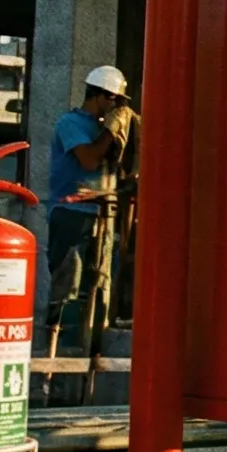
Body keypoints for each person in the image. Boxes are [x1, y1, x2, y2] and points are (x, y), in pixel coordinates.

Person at [41, 65, 131, 358]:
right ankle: (55, 351)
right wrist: (110, 131)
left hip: (102, 214)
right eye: (115, 100)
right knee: (68, 283)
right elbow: (89, 160)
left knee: (98, 283)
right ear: (100, 95)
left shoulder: (106, 130)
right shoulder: (70, 123)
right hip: (71, 212)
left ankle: (89, 350)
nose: (117, 107)